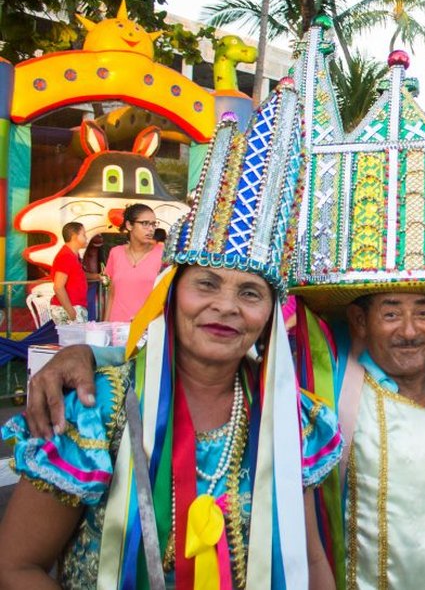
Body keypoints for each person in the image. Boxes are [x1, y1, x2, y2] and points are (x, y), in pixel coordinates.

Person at [0, 87, 340, 589]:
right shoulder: (100, 407)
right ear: (170, 296)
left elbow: (309, 563)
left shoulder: (287, 415)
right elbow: (17, 566)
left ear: (270, 314)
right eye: (206, 283)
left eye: (250, 292)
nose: (225, 306)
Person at [103, 203, 164, 322]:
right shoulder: (116, 253)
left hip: (147, 330)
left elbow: (166, 298)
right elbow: (112, 294)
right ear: (129, 225)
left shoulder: (162, 254)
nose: (151, 229)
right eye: (145, 223)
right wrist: (105, 326)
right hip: (117, 329)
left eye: (153, 224)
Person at [50, 221, 90, 325]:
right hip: (70, 307)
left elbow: (77, 275)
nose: (86, 238)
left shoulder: (73, 256)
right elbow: (58, 286)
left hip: (75, 306)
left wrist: (97, 276)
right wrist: (70, 310)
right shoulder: (66, 256)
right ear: (74, 236)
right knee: (76, 341)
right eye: (84, 234)